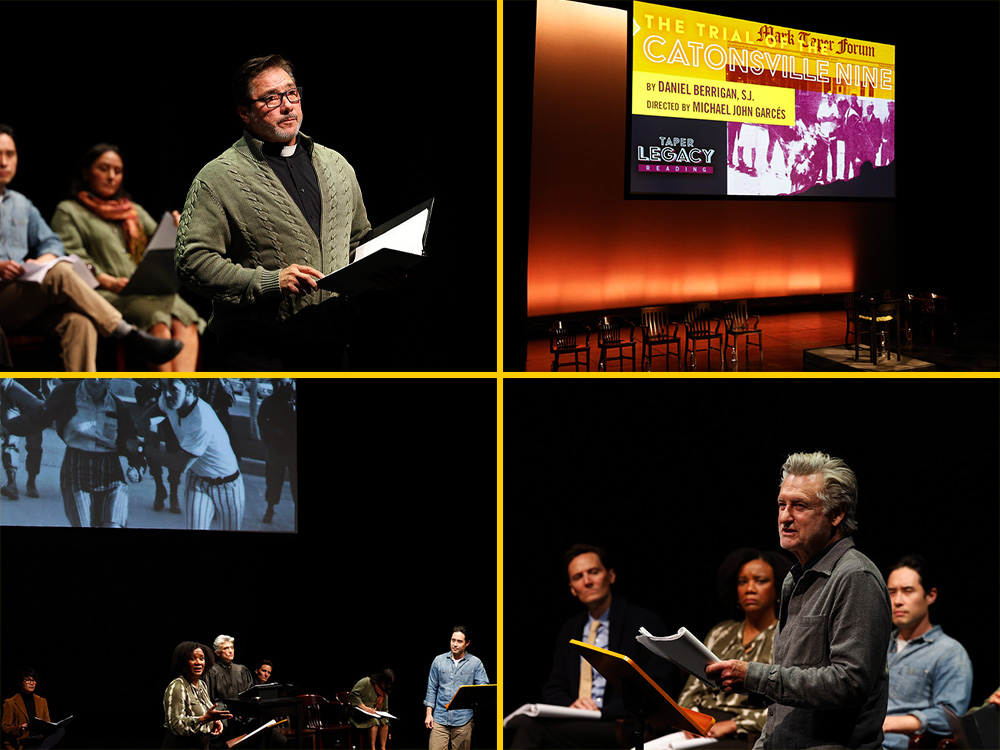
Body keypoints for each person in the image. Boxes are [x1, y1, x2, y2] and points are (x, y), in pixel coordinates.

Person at [175, 55, 372, 370]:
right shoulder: (219, 177)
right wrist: (268, 281)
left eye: (292, 93)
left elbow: (357, 240)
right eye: (270, 99)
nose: (287, 106)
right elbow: (191, 262)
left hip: (332, 347)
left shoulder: (336, 165)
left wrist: (380, 270)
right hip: (258, 351)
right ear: (245, 112)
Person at [706, 452, 892, 749]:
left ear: (837, 514)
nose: (784, 517)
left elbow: (850, 683)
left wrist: (754, 676)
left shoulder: (856, 577)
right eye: (781, 505)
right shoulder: (795, 578)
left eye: (799, 506)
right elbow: (788, 696)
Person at [0, 124, 182, 370]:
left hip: (20, 297)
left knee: (79, 321)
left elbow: (51, 243)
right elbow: (72, 251)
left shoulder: (21, 204)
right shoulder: (70, 210)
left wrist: (41, 261)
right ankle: (127, 333)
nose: (4, 162)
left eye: (10, 154)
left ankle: (81, 398)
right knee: (63, 272)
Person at [504, 544, 678, 749]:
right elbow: (554, 687)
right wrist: (572, 705)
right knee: (523, 724)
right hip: (576, 719)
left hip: (621, 721)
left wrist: (603, 711)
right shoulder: (571, 629)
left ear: (610, 576)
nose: (587, 581)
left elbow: (658, 687)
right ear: (572, 589)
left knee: (532, 729)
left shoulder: (643, 622)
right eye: (578, 577)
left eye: (593, 572)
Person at [51, 143, 203, 371]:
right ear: (86, 172)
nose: (112, 176)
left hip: (146, 290)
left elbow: (162, 241)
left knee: (187, 318)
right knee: (156, 318)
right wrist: (108, 280)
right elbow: (72, 258)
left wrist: (177, 228)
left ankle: (181, 393)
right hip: (106, 293)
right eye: (104, 168)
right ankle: (166, 392)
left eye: (117, 171)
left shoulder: (133, 210)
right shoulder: (69, 211)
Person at [677, 548, 792, 747]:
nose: (750, 588)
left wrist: (735, 724)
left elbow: (788, 704)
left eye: (761, 581)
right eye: (743, 582)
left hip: (748, 733)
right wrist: (689, 720)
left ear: (777, 589)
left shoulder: (786, 635)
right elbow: (691, 690)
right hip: (703, 726)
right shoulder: (721, 632)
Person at [3, 378, 144, 528]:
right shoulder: (66, 394)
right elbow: (38, 419)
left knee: (113, 525)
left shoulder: (118, 407)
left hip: (111, 473)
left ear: (109, 379)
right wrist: (6, 428)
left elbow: (131, 442)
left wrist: (137, 467)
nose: (95, 379)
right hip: (76, 470)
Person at [882, 555, 973, 749]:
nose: (898, 601)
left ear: (930, 595)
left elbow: (950, 716)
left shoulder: (949, 652)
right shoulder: (879, 645)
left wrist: (890, 723)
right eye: (891, 592)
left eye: (907, 591)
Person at [140, 379, 245, 530]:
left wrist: (142, 448)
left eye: (174, 389)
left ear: (190, 390)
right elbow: (157, 408)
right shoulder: (169, 399)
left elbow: (180, 464)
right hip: (197, 481)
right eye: (164, 387)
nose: (166, 393)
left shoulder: (201, 420)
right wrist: (137, 426)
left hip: (227, 485)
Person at [424, 626, 491, 750]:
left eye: (459, 641)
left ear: (467, 643)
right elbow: (432, 688)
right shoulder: (439, 661)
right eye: (453, 640)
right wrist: (429, 714)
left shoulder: (475, 662)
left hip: (463, 720)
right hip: (440, 718)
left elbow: (484, 688)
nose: (455, 644)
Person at [163, 642, 233, 749]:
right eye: (192, 658)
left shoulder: (202, 684)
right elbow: (175, 725)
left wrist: (214, 722)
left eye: (201, 658)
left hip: (201, 743)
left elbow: (204, 712)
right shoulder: (177, 686)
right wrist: (204, 719)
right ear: (183, 662)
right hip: (181, 745)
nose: (198, 663)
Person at [256, 378, 296, 524]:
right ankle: (270, 509)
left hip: (294, 449)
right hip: (277, 448)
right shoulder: (269, 402)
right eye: (277, 383)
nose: (280, 386)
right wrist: (273, 434)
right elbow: (261, 421)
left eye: (284, 383)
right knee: (273, 481)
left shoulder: (294, 399)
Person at [1, 668, 65, 750]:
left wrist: (49, 728)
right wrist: (20, 729)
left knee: (60, 730)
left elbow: (47, 722)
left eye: (34, 680)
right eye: (28, 680)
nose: (32, 683)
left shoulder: (42, 701)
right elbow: (4, 728)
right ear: (21, 682)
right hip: (25, 740)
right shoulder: (10, 703)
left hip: (41, 739)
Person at [348, 669, 394, 750]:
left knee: (385, 721)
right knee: (374, 721)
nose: (389, 686)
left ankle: (383, 748)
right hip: (359, 714)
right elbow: (353, 694)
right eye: (387, 683)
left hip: (373, 714)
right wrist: (365, 708)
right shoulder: (366, 682)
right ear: (381, 680)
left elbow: (385, 709)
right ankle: (372, 748)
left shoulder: (384, 691)